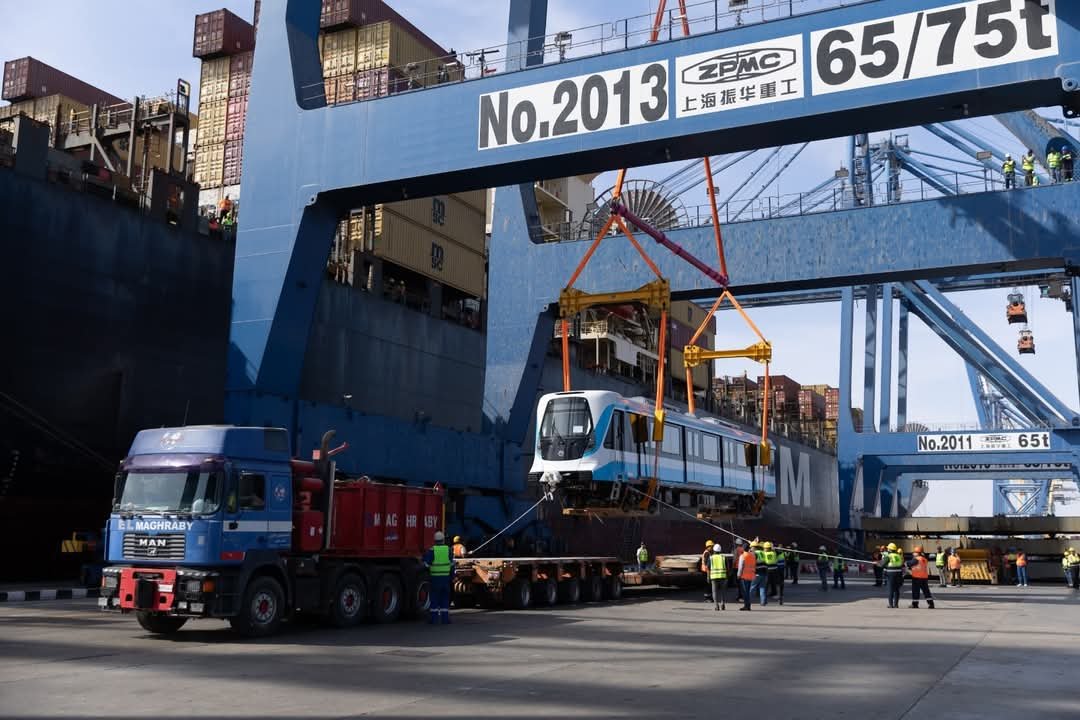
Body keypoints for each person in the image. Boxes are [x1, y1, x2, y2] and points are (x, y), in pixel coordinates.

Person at [423, 530, 454, 624]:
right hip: (446, 578)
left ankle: (434, 619)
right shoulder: (448, 549)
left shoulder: (432, 550)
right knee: (445, 599)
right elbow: (452, 565)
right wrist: (452, 577)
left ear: (435, 540)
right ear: (443, 540)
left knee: (434, 599)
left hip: (435, 578)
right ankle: (445, 619)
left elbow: (426, 564)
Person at [882, 542, 905, 608]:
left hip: (891, 574)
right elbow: (901, 564)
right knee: (896, 589)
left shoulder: (889, 556)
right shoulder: (898, 556)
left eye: (888, 549)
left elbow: (882, 564)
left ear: (890, 549)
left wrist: (878, 563)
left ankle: (891, 604)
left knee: (891, 589)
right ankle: (896, 604)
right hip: (899, 573)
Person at [738, 540, 756, 611]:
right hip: (752, 575)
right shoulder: (752, 556)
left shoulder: (742, 556)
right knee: (749, 592)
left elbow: (740, 567)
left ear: (743, 548)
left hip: (744, 576)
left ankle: (746, 606)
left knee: (745, 592)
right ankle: (748, 605)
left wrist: (738, 575)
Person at [750, 540, 770, 606]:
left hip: (757, 573)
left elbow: (752, 563)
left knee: (752, 587)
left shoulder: (754, 553)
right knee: (762, 588)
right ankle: (763, 602)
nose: (751, 549)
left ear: (754, 547)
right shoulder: (762, 552)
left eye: (751, 547)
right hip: (764, 572)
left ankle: (748, 600)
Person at [709, 543, 727, 611]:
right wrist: (727, 576)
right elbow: (727, 567)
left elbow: (708, 567)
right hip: (722, 576)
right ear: (720, 550)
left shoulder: (711, 558)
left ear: (714, 550)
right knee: (723, 591)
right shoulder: (723, 558)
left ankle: (716, 606)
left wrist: (708, 577)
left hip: (714, 577)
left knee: (714, 592)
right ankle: (723, 604)